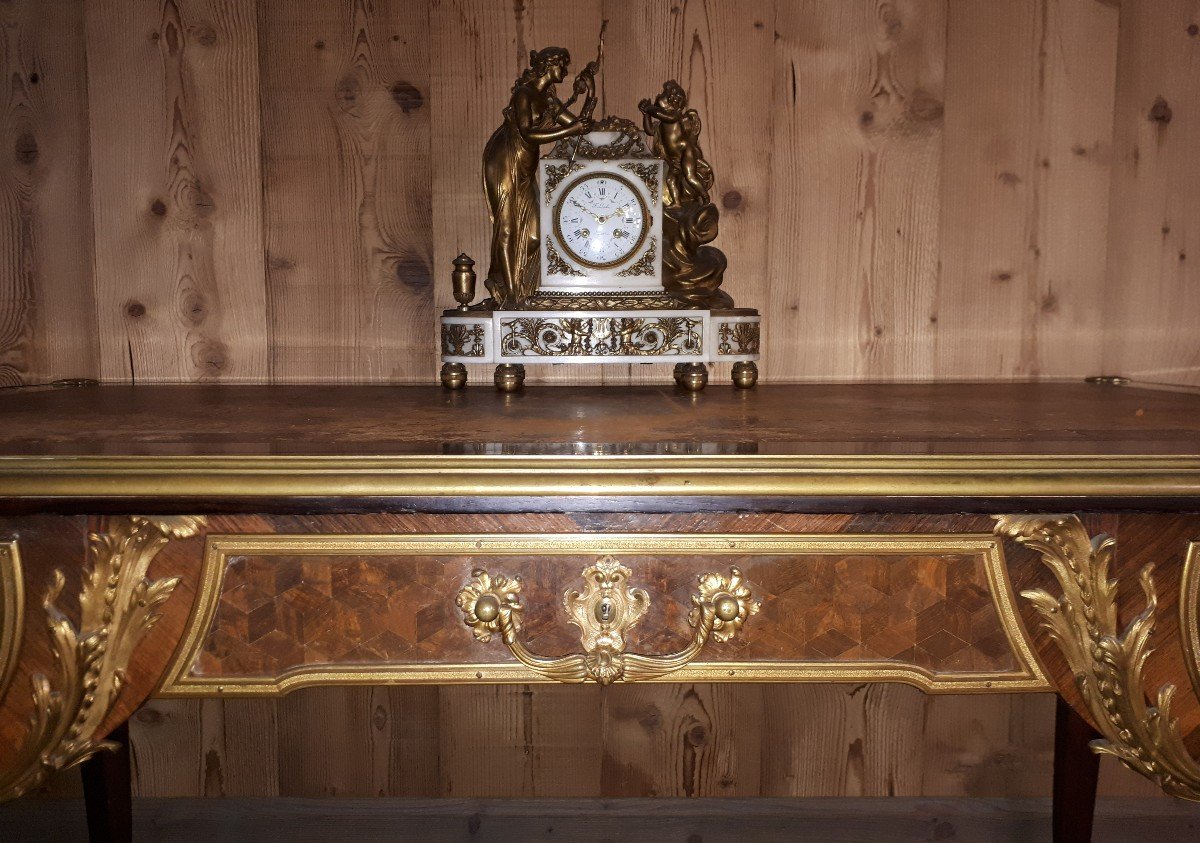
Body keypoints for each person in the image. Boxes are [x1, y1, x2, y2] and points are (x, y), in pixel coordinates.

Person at [483, 48, 596, 305]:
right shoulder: (525, 94)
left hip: (525, 166)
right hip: (505, 159)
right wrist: (570, 129)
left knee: (534, 234)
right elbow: (527, 133)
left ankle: (519, 288)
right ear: (549, 65)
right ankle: (510, 294)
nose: (565, 72)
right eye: (563, 66)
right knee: (508, 226)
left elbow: (580, 129)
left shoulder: (549, 100)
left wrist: (590, 92)